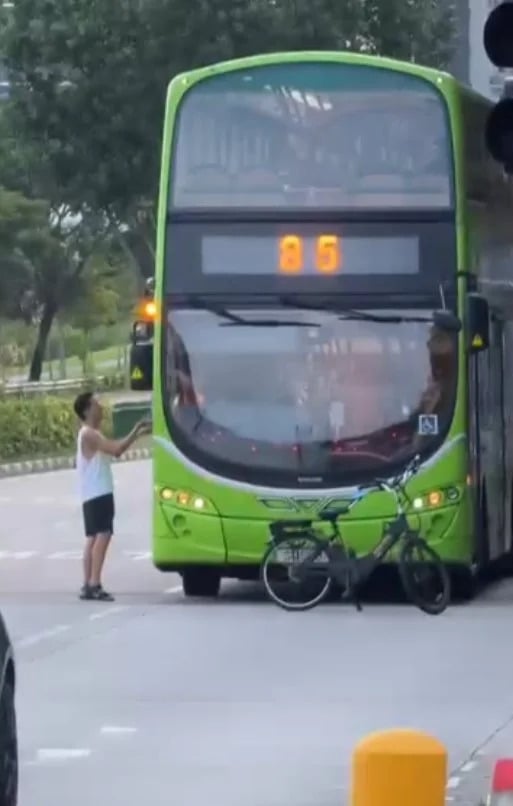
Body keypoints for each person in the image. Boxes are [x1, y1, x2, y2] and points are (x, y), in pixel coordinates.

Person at [73, 391, 151, 602]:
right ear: (87, 410)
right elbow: (116, 450)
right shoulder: (90, 434)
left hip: (91, 493)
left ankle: (88, 584)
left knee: (92, 538)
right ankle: (94, 583)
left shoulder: (89, 433)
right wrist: (136, 431)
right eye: (97, 404)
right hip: (99, 492)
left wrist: (137, 431)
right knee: (103, 535)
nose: (101, 407)